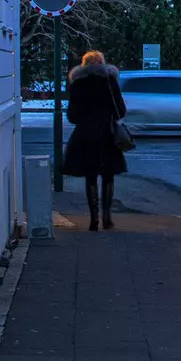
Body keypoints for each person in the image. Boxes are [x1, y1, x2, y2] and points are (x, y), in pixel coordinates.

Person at [62, 50, 128, 230]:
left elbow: (72, 116)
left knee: (90, 177)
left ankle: (94, 219)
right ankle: (107, 217)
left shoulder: (78, 83)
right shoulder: (109, 81)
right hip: (107, 134)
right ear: (102, 63)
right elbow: (120, 110)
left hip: (85, 135)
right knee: (108, 176)